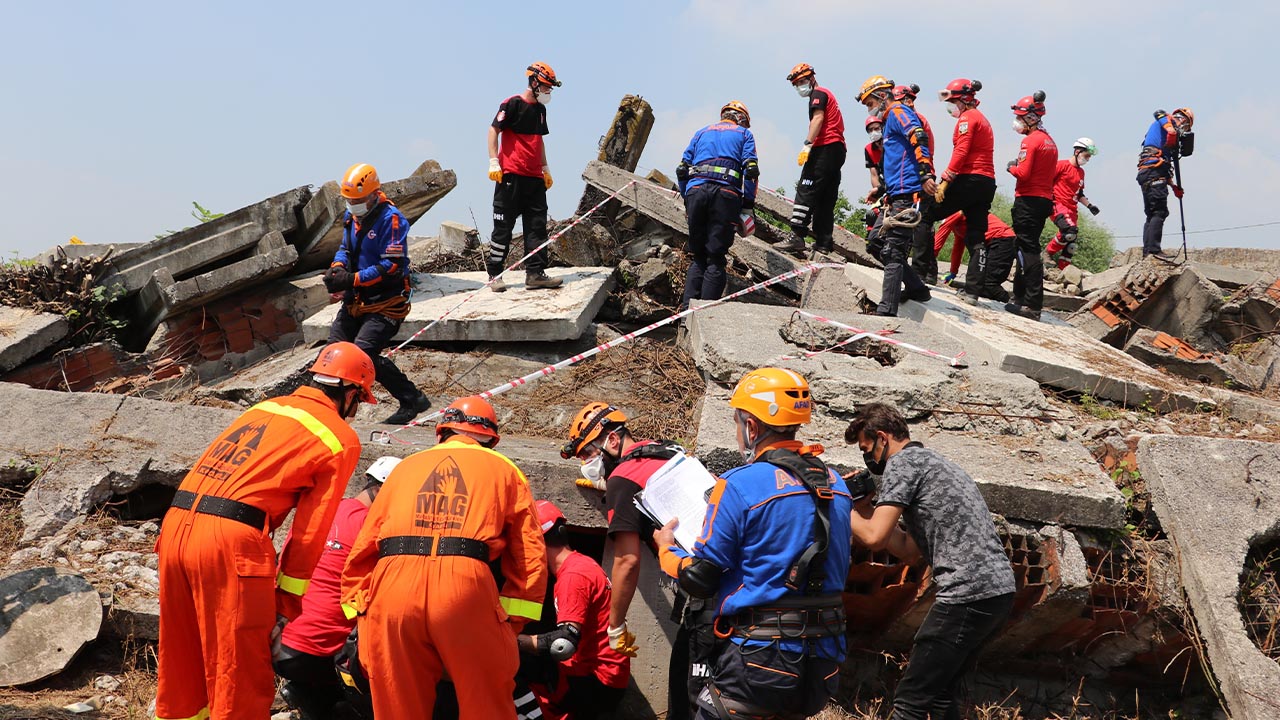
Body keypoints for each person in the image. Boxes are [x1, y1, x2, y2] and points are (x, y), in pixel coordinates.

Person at [153, 341, 371, 719]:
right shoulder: (337, 437)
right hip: (231, 540)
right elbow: (310, 532)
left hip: (175, 527)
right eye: (359, 401)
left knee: (182, 662)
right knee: (240, 671)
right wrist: (286, 606)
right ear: (351, 393)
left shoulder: (265, 408)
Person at [654, 367, 853, 719]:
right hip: (822, 662)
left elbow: (702, 578)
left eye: (737, 422)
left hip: (759, 661)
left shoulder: (739, 484)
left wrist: (666, 550)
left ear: (752, 426)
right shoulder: (836, 483)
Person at [341, 395, 547, 720]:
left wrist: (362, 614)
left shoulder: (404, 467)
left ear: (441, 433)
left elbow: (365, 548)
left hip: (392, 587)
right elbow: (530, 557)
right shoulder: (505, 470)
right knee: (487, 703)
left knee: (397, 707)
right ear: (490, 440)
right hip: (464, 587)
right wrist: (509, 624)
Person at [845, 403, 1016, 720]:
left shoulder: (903, 465)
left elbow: (873, 538)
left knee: (910, 700)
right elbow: (909, 550)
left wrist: (839, 504)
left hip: (968, 592)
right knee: (938, 694)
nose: (868, 460)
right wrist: (866, 511)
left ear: (883, 437)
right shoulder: (934, 462)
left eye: (868, 449)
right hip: (998, 592)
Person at [559, 403, 708, 719]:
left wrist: (615, 626)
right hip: (729, 583)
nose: (587, 464)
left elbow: (627, 560)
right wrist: (610, 486)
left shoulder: (623, 479)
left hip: (708, 597)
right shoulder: (668, 453)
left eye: (588, 454)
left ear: (612, 441)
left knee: (685, 701)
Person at [273, 456, 399, 720]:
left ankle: (307, 696)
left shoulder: (326, 511)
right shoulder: (375, 529)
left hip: (281, 639)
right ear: (385, 491)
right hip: (322, 650)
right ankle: (320, 702)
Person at [324, 163, 433, 426]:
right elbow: (345, 249)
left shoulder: (391, 220)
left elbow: (392, 265)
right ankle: (328, 408)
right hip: (355, 302)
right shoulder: (351, 217)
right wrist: (337, 268)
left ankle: (411, 399)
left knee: (362, 357)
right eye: (350, 200)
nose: (353, 204)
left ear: (374, 194)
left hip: (386, 303)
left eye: (359, 200)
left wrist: (354, 279)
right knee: (332, 354)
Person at [520, 500, 631, 719]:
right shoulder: (581, 564)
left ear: (535, 541)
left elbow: (564, 643)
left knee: (513, 689)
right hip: (602, 676)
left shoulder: (573, 576)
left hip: (595, 680)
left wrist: (511, 640)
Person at [858, 74, 934, 317]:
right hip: (895, 194)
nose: (870, 109)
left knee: (893, 251)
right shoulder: (890, 119)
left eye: (870, 103)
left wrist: (926, 173)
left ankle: (886, 311)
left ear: (881, 96)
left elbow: (918, 136)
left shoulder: (899, 112)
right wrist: (881, 190)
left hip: (909, 194)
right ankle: (917, 288)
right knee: (876, 244)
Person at [487, 62, 565, 292]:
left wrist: (545, 168)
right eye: (546, 87)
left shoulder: (541, 111)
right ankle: (495, 274)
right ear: (533, 82)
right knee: (503, 228)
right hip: (510, 175)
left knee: (537, 228)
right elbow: (493, 131)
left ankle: (535, 274)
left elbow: (539, 140)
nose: (548, 92)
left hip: (534, 178)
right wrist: (494, 161)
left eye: (550, 88)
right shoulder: (511, 104)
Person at [676, 101, 760, 310]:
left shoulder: (701, 132)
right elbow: (751, 171)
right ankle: (704, 317)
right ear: (741, 118)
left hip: (695, 193)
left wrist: (688, 198)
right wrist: (748, 205)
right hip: (725, 195)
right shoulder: (744, 135)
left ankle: (686, 315)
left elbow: (682, 169)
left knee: (699, 257)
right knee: (715, 257)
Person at [929, 78, 997, 305]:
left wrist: (945, 181)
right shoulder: (983, 119)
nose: (951, 106)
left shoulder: (968, 118)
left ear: (964, 100)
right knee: (977, 237)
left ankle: (924, 272)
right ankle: (972, 292)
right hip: (986, 183)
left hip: (969, 179)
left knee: (926, 215)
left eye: (954, 101)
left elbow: (962, 151)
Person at [999, 91, 1058, 322]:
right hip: (1044, 199)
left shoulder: (1030, 141)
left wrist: (1011, 167)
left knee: (1028, 251)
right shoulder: (1049, 141)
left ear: (1031, 118)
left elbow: (1023, 174)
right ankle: (1020, 298)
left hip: (1028, 199)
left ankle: (1032, 305)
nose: (1017, 122)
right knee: (1025, 248)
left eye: (1020, 117)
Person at [777, 63, 846, 259]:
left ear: (812, 78)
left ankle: (797, 235)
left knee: (806, 189)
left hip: (825, 146)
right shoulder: (827, 94)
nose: (800, 86)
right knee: (825, 197)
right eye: (797, 84)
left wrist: (808, 144)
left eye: (802, 81)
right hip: (838, 149)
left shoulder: (819, 94)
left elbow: (818, 119)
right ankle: (824, 242)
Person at [894, 84, 941, 285]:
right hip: (919, 175)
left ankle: (920, 271)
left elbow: (922, 150)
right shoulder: (914, 119)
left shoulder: (915, 120)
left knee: (920, 224)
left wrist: (923, 175)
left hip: (918, 177)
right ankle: (929, 271)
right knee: (924, 224)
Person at [1137, 108, 1194, 258]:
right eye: (1186, 125)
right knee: (1159, 212)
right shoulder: (1166, 121)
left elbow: (1165, 164)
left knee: (1152, 213)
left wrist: (1174, 186)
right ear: (1183, 119)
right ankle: (1154, 251)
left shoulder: (1167, 143)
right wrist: (1171, 129)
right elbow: (1159, 112)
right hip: (1153, 172)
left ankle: (1147, 252)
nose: (1184, 129)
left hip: (1148, 172)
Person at [932, 211, 1015, 300]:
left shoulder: (954, 212)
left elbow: (939, 238)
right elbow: (958, 248)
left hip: (1002, 240)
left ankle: (1010, 301)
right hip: (996, 242)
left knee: (989, 284)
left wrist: (927, 262)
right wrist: (953, 272)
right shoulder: (960, 225)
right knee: (981, 283)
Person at [1046, 138, 1101, 270]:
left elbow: (1079, 193)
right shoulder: (1061, 165)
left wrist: (1090, 206)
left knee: (1071, 243)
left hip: (1072, 209)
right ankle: (1047, 253)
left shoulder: (1081, 172)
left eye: (1089, 157)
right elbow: (1046, 181)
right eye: (1086, 155)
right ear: (1077, 151)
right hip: (1058, 204)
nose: (1087, 159)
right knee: (1069, 232)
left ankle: (1064, 269)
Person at [862, 115, 885, 205]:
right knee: (872, 214)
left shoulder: (891, 143)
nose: (873, 132)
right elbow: (874, 175)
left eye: (876, 128)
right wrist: (878, 191)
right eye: (870, 130)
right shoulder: (869, 149)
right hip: (884, 186)